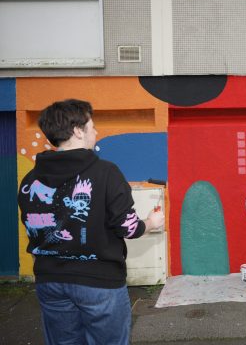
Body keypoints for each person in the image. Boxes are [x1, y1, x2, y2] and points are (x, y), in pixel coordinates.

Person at [18, 99, 165, 344]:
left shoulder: (30, 178)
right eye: (92, 126)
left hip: (49, 280)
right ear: (77, 131)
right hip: (99, 282)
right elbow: (128, 227)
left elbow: (34, 226)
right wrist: (151, 222)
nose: (96, 132)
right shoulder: (106, 172)